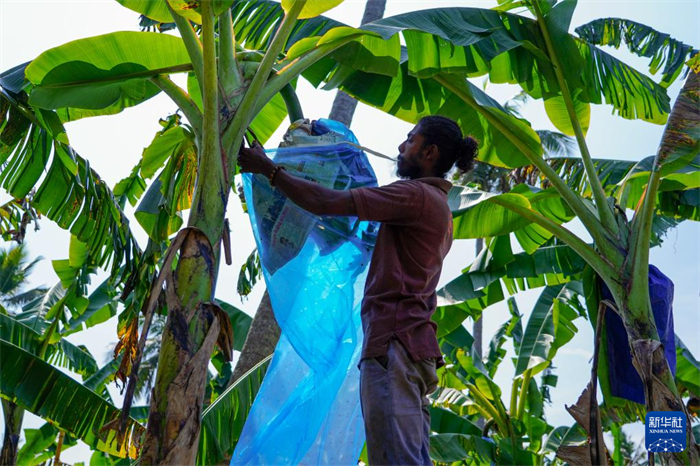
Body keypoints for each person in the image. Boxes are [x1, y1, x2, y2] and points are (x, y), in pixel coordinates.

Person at [238, 115, 478, 465]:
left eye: (410, 140)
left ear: (429, 152)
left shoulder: (416, 196)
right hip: (410, 349)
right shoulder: (435, 207)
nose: (400, 146)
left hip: (395, 345)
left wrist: (270, 171)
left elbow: (326, 202)